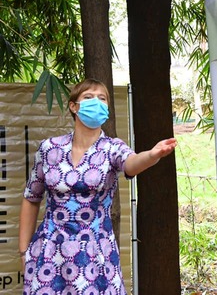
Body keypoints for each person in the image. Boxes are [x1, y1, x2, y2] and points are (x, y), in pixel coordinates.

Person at [18, 78, 177, 294]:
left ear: (108, 109)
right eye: (89, 97)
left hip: (95, 253)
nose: (97, 102)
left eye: (102, 99)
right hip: (49, 252)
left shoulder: (112, 148)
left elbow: (132, 163)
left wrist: (152, 155)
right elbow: (31, 197)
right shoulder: (49, 149)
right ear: (73, 106)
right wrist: (23, 251)